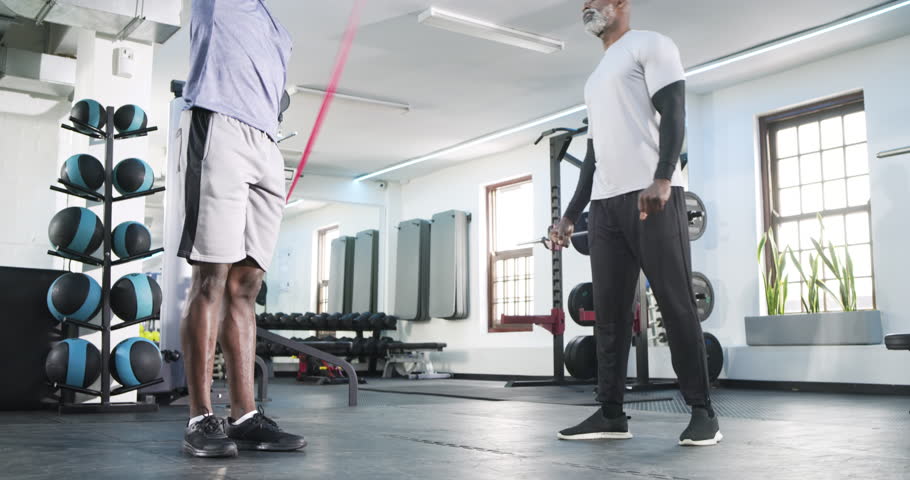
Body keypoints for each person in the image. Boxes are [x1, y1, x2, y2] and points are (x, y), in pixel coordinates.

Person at [551, 0, 722, 446]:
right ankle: (610, 413)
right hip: (605, 207)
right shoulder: (594, 79)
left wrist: (664, 177)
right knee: (608, 317)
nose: (587, 6)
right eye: (582, 3)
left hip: (652, 195)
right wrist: (571, 214)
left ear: (622, 4)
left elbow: (675, 110)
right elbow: (593, 155)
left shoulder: (650, 45)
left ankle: (703, 413)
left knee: (676, 301)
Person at [177, 0, 305, 457]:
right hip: (218, 124)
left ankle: (245, 416)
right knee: (210, 275)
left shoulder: (279, 30)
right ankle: (199, 416)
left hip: (268, 142)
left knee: (246, 284)